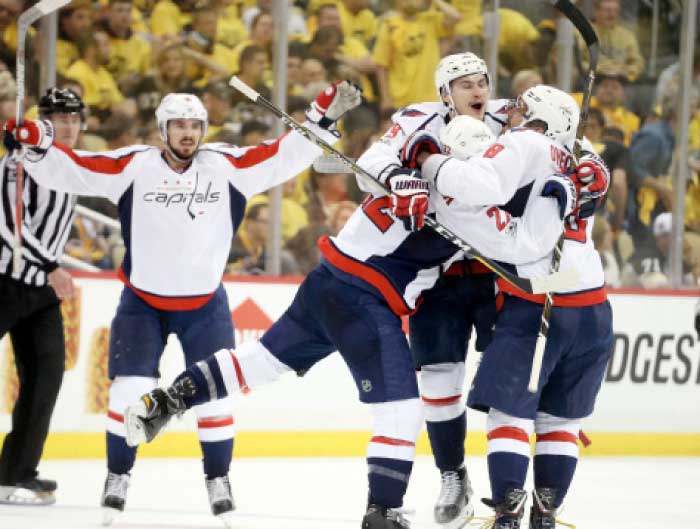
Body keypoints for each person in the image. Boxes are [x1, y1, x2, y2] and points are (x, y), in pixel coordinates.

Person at [119, 100, 590, 529]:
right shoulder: (468, 204)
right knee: (402, 410)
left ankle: (169, 398)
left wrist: (412, 163)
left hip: (328, 279)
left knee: (262, 360)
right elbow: (524, 240)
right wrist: (570, 184)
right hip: (365, 299)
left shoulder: (411, 163)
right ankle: (382, 512)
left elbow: (391, 156)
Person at [3, 81, 361, 524]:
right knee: (128, 393)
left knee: (215, 399)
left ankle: (217, 478)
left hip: (204, 306)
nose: (188, 133)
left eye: (195, 125)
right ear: (162, 129)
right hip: (142, 304)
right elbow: (76, 169)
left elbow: (283, 155)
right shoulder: (134, 165)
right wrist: (38, 147)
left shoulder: (227, 165)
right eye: (179, 125)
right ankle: (119, 474)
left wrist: (321, 120)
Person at [416, 86, 612, 529]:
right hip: (594, 306)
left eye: (523, 108)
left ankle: (507, 513)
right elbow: (594, 174)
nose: (513, 115)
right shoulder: (577, 153)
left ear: (541, 116)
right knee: (559, 418)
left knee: (512, 413)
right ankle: (545, 515)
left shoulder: (526, 142)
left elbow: (481, 187)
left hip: (538, 302)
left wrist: (430, 166)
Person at [355, 52, 509, 528]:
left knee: (508, 381)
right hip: (437, 274)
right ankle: (453, 475)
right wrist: (399, 176)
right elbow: (370, 162)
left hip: (499, 270)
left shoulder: (511, 120)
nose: (476, 91)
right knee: (439, 383)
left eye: (481, 82)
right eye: (464, 85)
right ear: (445, 95)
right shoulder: (417, 120)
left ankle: (511, 492)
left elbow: (564, 147)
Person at [0, 88, 85, 505]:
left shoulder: (74, 165)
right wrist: (52, 267)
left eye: (74, 118)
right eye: (58, 118)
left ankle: (16, 473)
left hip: (41, 292)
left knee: (44, 379)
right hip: (3, 281)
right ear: (41, 120)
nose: (68, 126)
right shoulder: (16, 161)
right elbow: (9, 225)